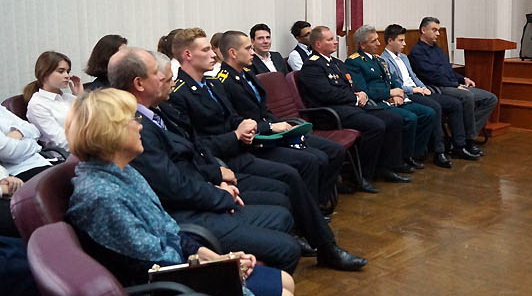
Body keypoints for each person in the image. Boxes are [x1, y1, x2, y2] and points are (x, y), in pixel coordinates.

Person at [63, 88, 296, 296]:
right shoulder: (101, 197)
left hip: (177, 273)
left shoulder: (123, 172)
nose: (140, 126)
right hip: (163, 293)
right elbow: (151, 264)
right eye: (132, 120)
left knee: (285, 281)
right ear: (110, 131)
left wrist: (221, 260)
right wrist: (220, 269)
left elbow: (169, 231)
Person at [165, 29, 367, 270]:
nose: (213, 54)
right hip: (224, 161)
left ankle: (322, 244)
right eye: (206, 49)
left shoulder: (211, 85)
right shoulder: (179, 95)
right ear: (188, 55)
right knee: (293, 174)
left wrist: (246, 126)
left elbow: (231, 119)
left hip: (241, 150)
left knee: (297, 172)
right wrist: (236, 135)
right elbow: (197, 145)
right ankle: (323, 246)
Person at [109, 47, 302, 273]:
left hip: (203, 189)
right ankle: (250, 290)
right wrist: (220, 196)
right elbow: (173, 186)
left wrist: (217, 181)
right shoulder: (136, 127)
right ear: (139, 83)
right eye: (155, 72)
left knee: (282, 211)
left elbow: (192, 152)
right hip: (188, 215)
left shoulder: (157, 112)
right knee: (287, 245)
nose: (162, 76)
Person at [214, 31, 346, 208]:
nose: (252, 52)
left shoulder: (247, 73)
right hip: (258, 141)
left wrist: (280, 124)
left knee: (335, 150)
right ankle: (310, 209)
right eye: (248, 49)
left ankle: (318, 202)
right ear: (233, 53)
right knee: (313, 160)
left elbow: (263, 109)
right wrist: (270, 126)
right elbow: (236, 122)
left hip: (273, 130)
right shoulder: (222, 83)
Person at [298, 26, 411, 193]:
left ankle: (386, 167)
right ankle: (360, 175)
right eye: (330, 39)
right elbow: (327, 94)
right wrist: (355, 98)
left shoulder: (336, 63)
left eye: (334, 38)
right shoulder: (312, 66)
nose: (335, 41)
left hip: (349, 107)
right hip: (330, 113)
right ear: (318, 44)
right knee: (376, 126)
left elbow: (352, 85)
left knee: (394, 119)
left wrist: (361, 93)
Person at [381, 24, 479, 167]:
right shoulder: (384, 60)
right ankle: (439, 151)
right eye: (401, 41)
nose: (404, 44)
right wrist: (415, 90)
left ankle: (459, 145)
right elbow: (394, 85)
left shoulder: (403, 57)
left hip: (419, 90)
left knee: (454, 104)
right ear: (390, 41)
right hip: (408, 94)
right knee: (435, 107)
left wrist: (423, 87)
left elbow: (413, 76)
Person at [346, 25, 436, 170]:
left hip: (392, 99)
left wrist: (399, 92)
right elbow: (364, 90)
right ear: (362, 45)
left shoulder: (378, 59)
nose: (378, 43)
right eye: (374, 41)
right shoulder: (354, 62)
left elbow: (392, 80)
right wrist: (389, 94)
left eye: (377, 39)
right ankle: (400, 160)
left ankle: (414, 154)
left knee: (428, 113)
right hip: (376, 102)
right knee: (409, 118)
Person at [409, 17, 497, 156]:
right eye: (434, 30)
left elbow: (448, 71)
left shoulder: (437, 50)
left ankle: (468, 134)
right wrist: (455, 85)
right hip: (438, 87)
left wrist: (463, 79)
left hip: (451, 84)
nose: (438, 34)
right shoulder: (417, 52)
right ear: (423, 30)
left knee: (490, 98)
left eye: (438, 30)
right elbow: (432, 76)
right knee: (467, 96)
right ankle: (467, 141)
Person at [0, 105, 54, 237]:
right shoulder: (39, 104)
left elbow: (34, 129)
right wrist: (34, 145)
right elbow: (8, 151)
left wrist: (19, 133)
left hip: (41, 161)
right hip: (21, 170)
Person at [24, 51, 84, 150]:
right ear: (44, 74)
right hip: (68, 153)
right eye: (61, 71)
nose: (67, 76)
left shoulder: (69, 98)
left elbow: (94, 122)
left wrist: (80, 96)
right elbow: (61, 140)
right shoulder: (37, 104)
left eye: (68, 71)